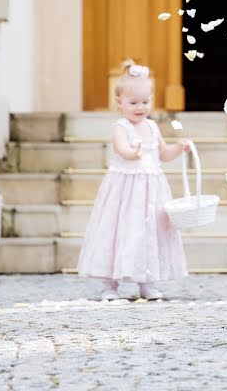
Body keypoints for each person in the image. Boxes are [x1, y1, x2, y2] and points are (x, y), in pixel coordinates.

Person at [77, 59, 190, 300]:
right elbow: (121, 149)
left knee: (149, 233)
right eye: (133, 103)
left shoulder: (151, 127)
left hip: (151, 190)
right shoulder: (121, 126)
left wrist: (178, 148)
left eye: (145, 102)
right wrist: (132, 152)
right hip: (126, 191)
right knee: (119, 230)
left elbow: (162, 153)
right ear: (119, 102)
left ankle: (146, 281)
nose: (140, 107)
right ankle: (110, 283)